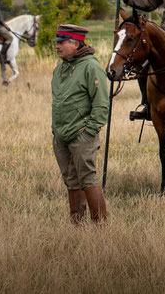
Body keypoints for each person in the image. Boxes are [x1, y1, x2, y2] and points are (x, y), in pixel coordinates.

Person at [51, 24, 109, 225]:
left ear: (75, 44)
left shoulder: (91, 67)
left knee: (88, 179)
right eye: (57, 42)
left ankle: (100, 225)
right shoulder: (60, 68)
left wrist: (89, 132)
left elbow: (101, 104)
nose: (57, 46)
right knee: (71, 180)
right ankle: (77, 225)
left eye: (61, 42)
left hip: (82, 135)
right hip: (61, 135)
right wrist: (56, 131)